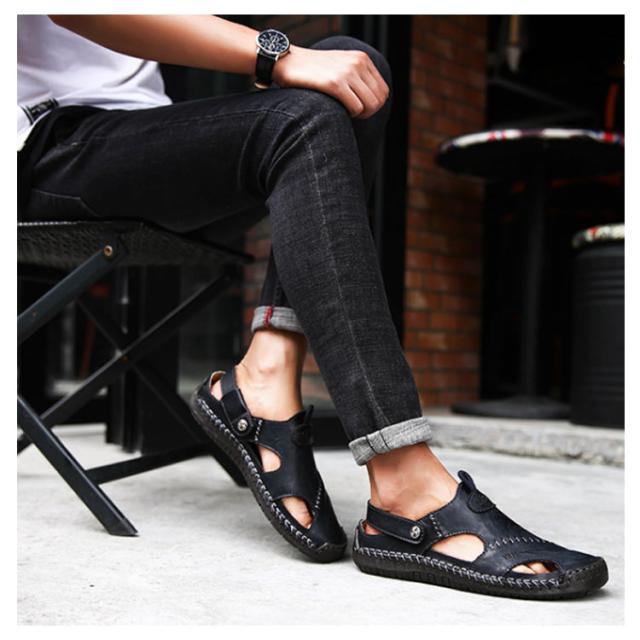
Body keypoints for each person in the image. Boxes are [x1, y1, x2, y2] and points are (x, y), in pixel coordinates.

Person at [18, 14, 607, 599]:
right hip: (45, 147)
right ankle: (404, 478)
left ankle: (268, 372)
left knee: (357, 72)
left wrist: (279, 63)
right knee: (302, 118)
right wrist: (275, 54)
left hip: (142, 144)